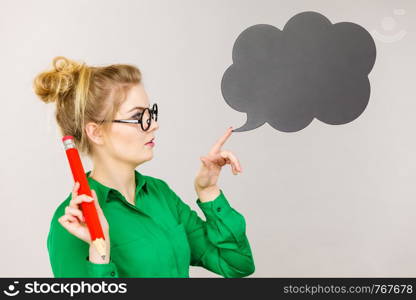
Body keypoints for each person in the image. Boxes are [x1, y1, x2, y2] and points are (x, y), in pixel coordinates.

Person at [33, 56, 255, 278]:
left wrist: (208, 192)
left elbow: (237, 264)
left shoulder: (160, 195)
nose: (154, 125)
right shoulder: (73, 222)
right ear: (96, 132)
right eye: (138, 116)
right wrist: (99, 254)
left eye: (151, 113)